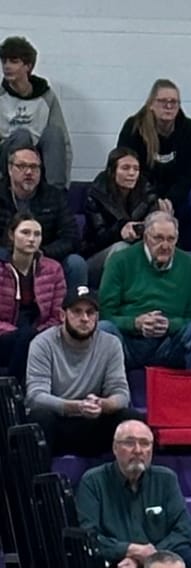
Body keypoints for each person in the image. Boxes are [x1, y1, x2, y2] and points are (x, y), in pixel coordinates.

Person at [77, 418, 191, 568]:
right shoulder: (93, 481)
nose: (138, 450)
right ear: (115, 448)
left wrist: (149, 556)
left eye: (145, 443)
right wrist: (127, 550)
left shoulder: (166, 479)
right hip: (115, 563)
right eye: (129, 443)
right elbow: (87, 535)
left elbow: (185, 529)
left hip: (158, 560)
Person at [97, 207, 191, 383]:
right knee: (104, 329)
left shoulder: (190, 265)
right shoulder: (120, 260)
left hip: (169, 343)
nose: (165, 246)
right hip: (128, 342)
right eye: (158, 238)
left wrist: (169, 325)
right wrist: (136, 323)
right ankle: (108, 392)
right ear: (146, 237)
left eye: (171, 239)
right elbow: (105, 313)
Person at [24, 286, 130, 450]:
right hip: (58, 422)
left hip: (94, 422)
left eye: (90, 312)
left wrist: (103, 404)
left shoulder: (111, 344)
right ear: (62, 315)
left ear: (97, 317)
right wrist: (76, 407)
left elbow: (121, 394)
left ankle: (123, 468)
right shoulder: (42, 343)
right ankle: (38, 468)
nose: (84, 319)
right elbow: (35, 397)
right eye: (77, 312)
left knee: (130, 418)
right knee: (40, 417)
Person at [118, 79, 191, 249]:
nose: (169, 106)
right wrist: (153, 201)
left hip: (178, 196)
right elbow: (128, 167)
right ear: (151, 104)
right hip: (141, 195)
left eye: (174, 102)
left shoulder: (190, 129)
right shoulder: (134, 127)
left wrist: (171, 199)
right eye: (163, 101)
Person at [4, 141, 82, 288]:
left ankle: (75, 303)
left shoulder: (54, 196)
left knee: (76, 263)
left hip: (44, 255)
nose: (29, 172)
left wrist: (42, 252)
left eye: (34, 167)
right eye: (22, 166)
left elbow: (71, 238)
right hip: (6, 256)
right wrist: (14, 253)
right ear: (10, 169)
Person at [81, 146, 161, 284]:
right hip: (98, 257)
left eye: (136, 169)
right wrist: (120, 231)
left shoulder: (147, 193)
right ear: (112, 171)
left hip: (139, 252)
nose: (132, 173)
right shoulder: (96, 195)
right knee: (121, 248)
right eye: (125, 168)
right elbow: (97, 239)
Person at [0, 36, 70, 191]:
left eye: (14, 61)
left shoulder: (47, 97)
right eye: (4, 62)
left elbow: (62, 141)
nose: (7, 66)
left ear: (28, 66)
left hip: (38, 156)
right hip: (8, 158)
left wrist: (66, 184)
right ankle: (12, 192)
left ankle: (55, 194)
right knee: (22, 135)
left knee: (54, 133)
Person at [0, 215, 66, 379]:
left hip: (40, 334)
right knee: (25, 338)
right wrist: (18, 333)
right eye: (25, 232)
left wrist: (38, 333)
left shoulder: (53, 269)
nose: (31, 239)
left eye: (37, 234)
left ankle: (13, 387)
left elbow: (58, 314)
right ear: (11, 235)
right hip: (4, 336)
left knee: (31, 339)